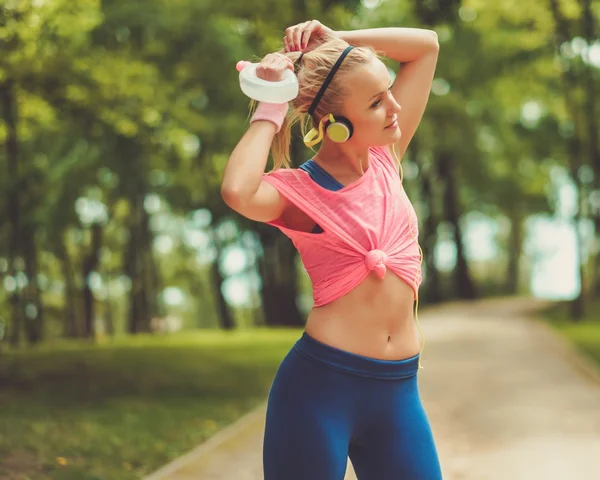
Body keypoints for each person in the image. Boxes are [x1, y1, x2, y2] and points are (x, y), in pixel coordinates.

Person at [221, 19, 441, 480]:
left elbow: (426, 47)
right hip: (319, 393)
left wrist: (340, 40)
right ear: (334, 124)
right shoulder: (300, 193)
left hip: (399, 392)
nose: (395, 107)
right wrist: (271, 106)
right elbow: (239, 191)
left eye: (389, 92)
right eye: (377, 102)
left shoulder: (386, 159)